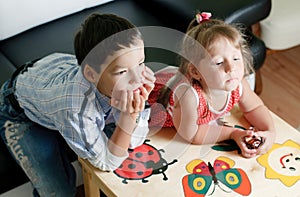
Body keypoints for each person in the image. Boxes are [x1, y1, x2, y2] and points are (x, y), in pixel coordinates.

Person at [0, 13, 155, 196]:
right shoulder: (76, 108)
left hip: (51, 76)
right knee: (59, 192)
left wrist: (140, 106)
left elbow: (135, 141)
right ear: (91, 74)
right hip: (19, 112)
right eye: (122, 72)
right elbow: (106, 162)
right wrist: (129, 117)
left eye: (141, 63)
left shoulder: (131, 77)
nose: (137, 79)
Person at [148, 13, 275, 158]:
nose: (230, 68)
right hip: (150, 108)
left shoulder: (237, 82)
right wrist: (233, 133)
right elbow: (192, 134)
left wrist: (269, 132)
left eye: (235, 58)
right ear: (195, 71)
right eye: (219, 62)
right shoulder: (188, 95)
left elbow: (254, 107)